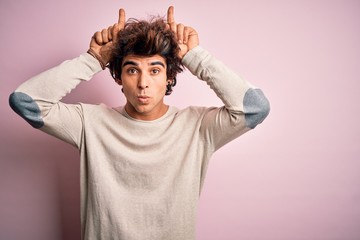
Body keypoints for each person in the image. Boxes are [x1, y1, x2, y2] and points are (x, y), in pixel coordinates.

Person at [9, 6, 270, 240]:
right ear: (119, 77)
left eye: (155, 70)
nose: (143, 83)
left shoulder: (197, 127)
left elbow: (255, 108)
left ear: (169, 77)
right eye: (132, 70)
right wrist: (93, 59)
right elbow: (25, 101)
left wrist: (194, 56)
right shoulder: (91, 123)